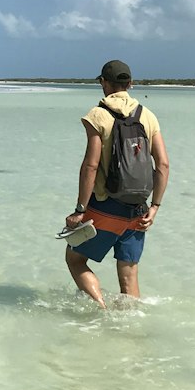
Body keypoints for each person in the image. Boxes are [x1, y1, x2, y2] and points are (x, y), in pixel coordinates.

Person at [63, 60, 169, 308]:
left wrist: (80, 210)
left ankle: (101, 308)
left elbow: (90, 165)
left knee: (75, 260)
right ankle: (130, 330)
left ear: (104, 83)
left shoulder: (98, 115)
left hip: (105, 207)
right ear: (130, 84)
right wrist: (154, 208)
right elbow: (163, 165)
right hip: (138, 211)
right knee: (129, 276)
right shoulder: (148, 116)